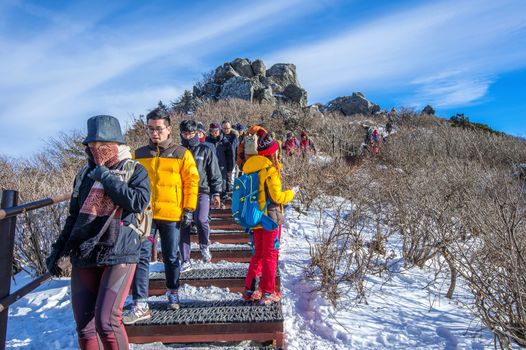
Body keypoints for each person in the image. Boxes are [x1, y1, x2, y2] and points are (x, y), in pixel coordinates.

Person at [46, 115, 151, 349]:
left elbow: (137, 202)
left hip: (120, 250)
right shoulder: (84, 174)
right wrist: (58, 250)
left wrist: (105, 176)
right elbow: (74, 216)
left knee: (107, 322)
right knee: (84, 325)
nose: (97, 150)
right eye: (92, 146)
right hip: (85, 251)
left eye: (103, 145)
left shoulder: (134, 169)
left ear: (117, 144)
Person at [124, 108, 199, 324]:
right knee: (141, 256)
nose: (154, 133)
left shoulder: (181, 153)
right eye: (150, 128)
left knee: (171, 255)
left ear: (168, 129)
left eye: (158, 128)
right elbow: (129, 181)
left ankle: (172, 291)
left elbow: (191, 182)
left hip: (172, 213)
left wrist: (188, 209)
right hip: (145, 216)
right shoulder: (138, 154)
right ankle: (140, 302)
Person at [241, 132, 295, 305]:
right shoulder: (270, 170)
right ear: (273, 153)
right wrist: (291, 194)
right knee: (271, 255)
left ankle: (249, 290)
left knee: (258, 254)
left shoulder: (249, 167)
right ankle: (268, 292)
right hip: (270, 218)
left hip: (254, 217)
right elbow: (277, 197)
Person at [178, 120, 222, 271]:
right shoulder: (178, 151)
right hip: (181, 193)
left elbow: (214, 173)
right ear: (181, 134)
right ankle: (185, 259)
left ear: (196, 133)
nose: (188, 136)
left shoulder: (205, 150)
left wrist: (216, 193)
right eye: (185, 133)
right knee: (183, 224)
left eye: (191, 133)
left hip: (202, 190)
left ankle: (204, 246)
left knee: (201, 219)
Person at [206, 122, 234, 200]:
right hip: (210, 166)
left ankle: (223, 199)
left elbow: (230, 156)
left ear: (219, 131)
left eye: (216, 130)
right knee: (212, 182)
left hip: (222, 165)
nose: (214, 133)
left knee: (223, 183)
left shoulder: (225, 142)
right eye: (212, 131)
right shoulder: (207, 142)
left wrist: (230, 168)